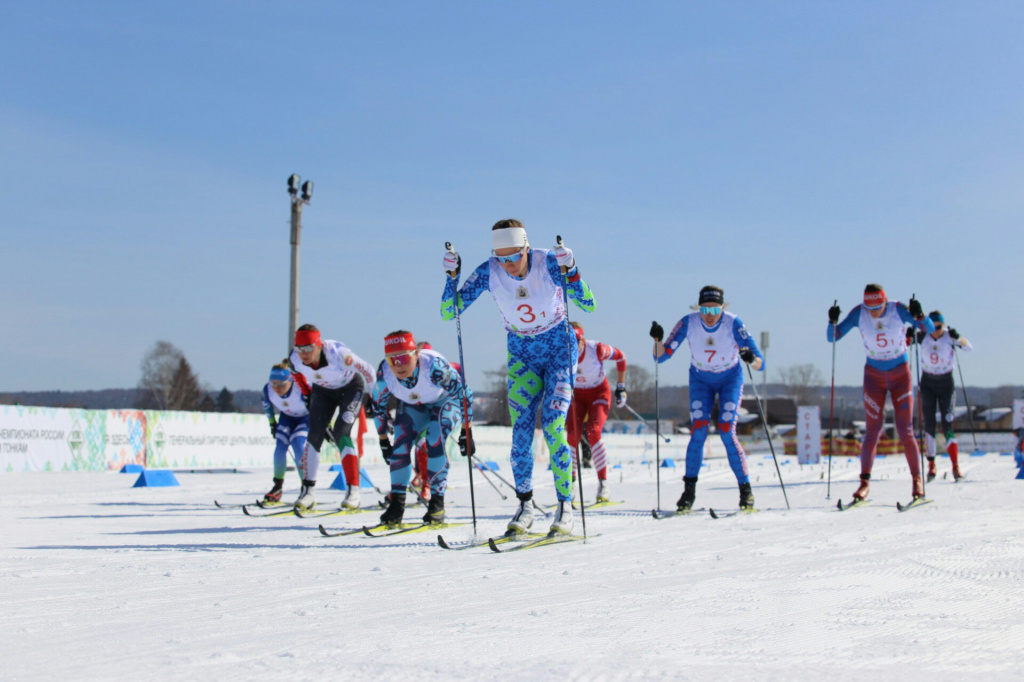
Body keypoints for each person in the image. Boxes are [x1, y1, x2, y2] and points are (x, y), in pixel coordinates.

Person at [441, 219, 595, 535]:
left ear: (527, 248)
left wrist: (573, 269)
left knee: (553, 424)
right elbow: (449, 311)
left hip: (558, 351)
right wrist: (450, 278)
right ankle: (525, 505)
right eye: (502, 258)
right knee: (521, 434)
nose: (509, 265)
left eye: (515, 257)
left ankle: (565, 505)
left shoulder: (548, 262)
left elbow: (587, 303)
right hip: (521, 355)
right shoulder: (489, 270)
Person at [651, 286, 764, 511]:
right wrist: (657, 340)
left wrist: (750, 358)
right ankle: (688, 493)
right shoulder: (688, 322)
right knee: (699, 429)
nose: (710, 315)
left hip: (730, 378)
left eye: (715, 309)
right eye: (704, 309)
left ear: (723, 308)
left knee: (725, 429)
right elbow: (660, 358)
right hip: (701, 379)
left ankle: (746, 491)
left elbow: (760, 364)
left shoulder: (733, 323)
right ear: (698, 307)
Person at [827, 285, 934, 501]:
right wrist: (832, 321)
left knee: (906, 430)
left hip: (900, 376)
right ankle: (864, 483)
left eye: (878, 307)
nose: (874, 312)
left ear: (885, 302)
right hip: (874, 376)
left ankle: (917, 480)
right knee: (872, 431)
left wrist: (919, 314)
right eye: (870, 307)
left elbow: (929, 329)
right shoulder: (859, 312)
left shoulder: (898, 309)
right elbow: (833, 337)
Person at [371, 330, 473, 525]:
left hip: (444, 401)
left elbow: (464, 393)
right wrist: (383, 440)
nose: (398, 365)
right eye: (392, 359)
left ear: (416, 354)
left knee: (435, 441)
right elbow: (378, 407)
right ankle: (396, 506)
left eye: (403, 357)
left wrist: (466, 431)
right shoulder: (385, 373)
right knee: (399, 448)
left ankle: (436, 504)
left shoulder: (434, 367)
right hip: (414, 405)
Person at [288, 324, 374, 510]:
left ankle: (353, 491)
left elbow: (368, 370)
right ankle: (308, 492)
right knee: (314, 436)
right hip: (322, 391)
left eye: (309, 348)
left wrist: (375, 398)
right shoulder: (294, 359)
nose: (304, 353)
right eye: (299, 348)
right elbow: (295, 373)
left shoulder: (339, 355)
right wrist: (306, 393)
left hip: (351, 388)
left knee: (341, 433)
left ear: (319, 345)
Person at [567, 321, 627, 502]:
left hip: (598, 393)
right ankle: (570, 484)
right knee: (571, 435)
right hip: (576, 395)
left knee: (593, 431)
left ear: (583, 341)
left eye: (576, 341)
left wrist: (621, 387)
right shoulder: (561, 352)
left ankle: (603, 484)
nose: (572, 346)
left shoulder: (597, 349)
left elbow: (621, 357)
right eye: (568, 341)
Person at [913, 311, 973, 481]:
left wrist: (958, 337)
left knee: (947, 423)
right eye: (933, 327)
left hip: (946, 383)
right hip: (927, 384)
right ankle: (931, 464)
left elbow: (969, 347)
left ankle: (955, 465)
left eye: (939, 327)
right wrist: (909, 335)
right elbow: (904, 341)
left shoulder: (949, 336)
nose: (936, 331)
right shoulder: (922, 336)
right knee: (929, 425)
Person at [258, 362, 310, 504]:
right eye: (273, 384)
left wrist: (324, 424)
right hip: (287, 418)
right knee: (280, 448)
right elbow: (267, 407)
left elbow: (318, 403)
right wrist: (272, 423)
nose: (277, 388)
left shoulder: (300, 387)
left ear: (290, 380)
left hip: (305, 418)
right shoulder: (267, 390)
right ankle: (277, 487)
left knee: (298, 443)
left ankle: (306, 488)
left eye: (281, 384)